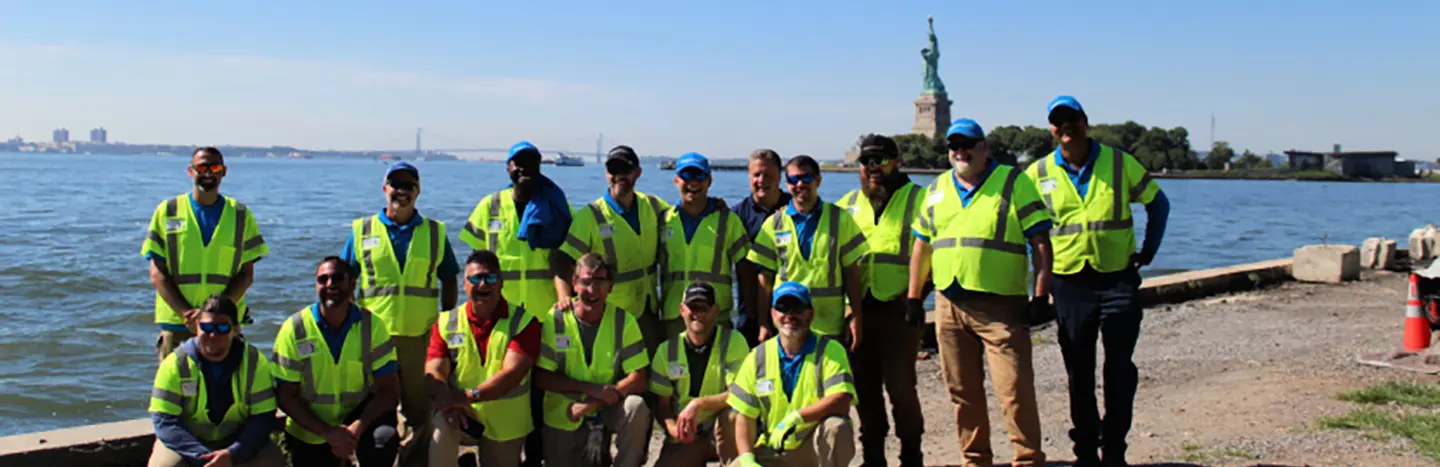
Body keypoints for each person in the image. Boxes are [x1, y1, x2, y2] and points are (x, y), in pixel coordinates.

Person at [1025, 96, 1169, 467]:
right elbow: (1019, 225)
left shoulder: (1119, 163)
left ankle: (1115, 448)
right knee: (1078, 369)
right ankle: (1086, 450)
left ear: (1085, 122)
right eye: (1058, 123)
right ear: (1052, 129)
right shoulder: (1037, 174)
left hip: (1116, 279)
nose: (1065, 128)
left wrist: (1149, 250)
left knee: (1119, 366)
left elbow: (1158, 203)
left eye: (1071, 120)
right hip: (1069, 282)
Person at [908, 118, 1054, 467]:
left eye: (968, 144)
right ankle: (975, 460)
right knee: (962, 393)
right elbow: (921, 247)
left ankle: (1028, 459)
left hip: (1000, 306)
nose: (961, 152)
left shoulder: (1012, 182)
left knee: (1013, 390)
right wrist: (914, 298)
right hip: (948, 304)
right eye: (954, 146)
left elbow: (1040, 242)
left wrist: (1040, 294)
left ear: (983, 147)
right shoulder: (936, 189)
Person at [458, 141, 571, 467]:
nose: (523, 169)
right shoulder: (488, 207)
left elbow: (562, 261)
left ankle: (533, 459)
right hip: (498, 314)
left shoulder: (555, 206)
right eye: (516, 163)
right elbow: (473, 264)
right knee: (499, 384)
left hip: (541, 315)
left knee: (538, 393)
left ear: (539, 166)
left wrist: (566, 297)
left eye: (530, 163)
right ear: (507, 167)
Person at [342, 161, 460, 465]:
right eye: (395, 185)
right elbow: (342, 279)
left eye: (408, 186)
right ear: (385, 189)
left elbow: (450, 276)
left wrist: (446, 324)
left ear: (418, 191)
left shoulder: (435, 233)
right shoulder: (362, 230)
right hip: (372, 338)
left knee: (419, 411)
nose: (401, 191)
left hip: (419, 338)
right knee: (369, 406)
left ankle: (413, 461)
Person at [834, 135, 927, 467]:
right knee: (865, 390)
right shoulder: (846, 205)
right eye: (866, 162)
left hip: (900, 309)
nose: (872, 168)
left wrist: (917, 298)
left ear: (896, 161)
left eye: (880, 160)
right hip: (858, 312)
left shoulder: (920, 199)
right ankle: (873, 457)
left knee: (902, 389)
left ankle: (911, 455)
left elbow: (932, 253)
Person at [141, 147, 268, 361]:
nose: (208, 172)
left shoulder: (240, 215)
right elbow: (157, 274)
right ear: (191, 171)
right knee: (175, 391)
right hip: (178, 323)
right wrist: (187, 314)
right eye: (202, 167)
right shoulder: (167, 211)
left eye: (215, 167)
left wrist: (213, 314)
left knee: (226, 391)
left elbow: (246, 275)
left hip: (223, 326)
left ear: (224, 172)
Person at [273, 257, 402, 467]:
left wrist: (356, 428)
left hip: (358, 424)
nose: (330, 284)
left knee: (384, 440)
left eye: (337, 278)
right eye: (322, 280)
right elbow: (286, 396)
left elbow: (389, 391)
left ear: (352, 284)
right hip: (310, 430)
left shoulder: (373, 326)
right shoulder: (294, 329)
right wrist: (328, 433)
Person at [534, 252, 651, 467]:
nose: (592, 290)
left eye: (600, 283)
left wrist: (593, 402)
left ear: (611, 287)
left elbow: (638, 378)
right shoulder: (556, 319)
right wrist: (589, 389)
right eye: (586, 282)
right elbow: (542, 377)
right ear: (575, 284)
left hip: (606, 407)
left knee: (637, 406)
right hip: (565, 413)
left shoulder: (624, 321)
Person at [426, 250, 540, 467]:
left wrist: (463, 397)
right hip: (461, 414)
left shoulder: (524, 322)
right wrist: (447, 400)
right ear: (464, 284)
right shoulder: (445, 322)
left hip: (506, 423)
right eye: (475, 278)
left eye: (490, 278)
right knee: (441, 424)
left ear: (501, 282)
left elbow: (511, 376)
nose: (483, 285)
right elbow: (434, 372)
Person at [726, 281, 856, 467]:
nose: (790, 315)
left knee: (837, 427)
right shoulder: (758, 357)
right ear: (772, 315)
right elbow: (744, 415)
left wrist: (797, 417)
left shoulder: (830, 351)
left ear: (810, 314)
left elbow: (842, 399)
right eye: (783, 308)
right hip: (775, 449)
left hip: (814, 448)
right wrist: (747, 459)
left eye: (797, 308)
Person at [556, 145, 670, 353]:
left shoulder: (654, 206)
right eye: (613, 170)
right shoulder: (589, 216)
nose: (619, 176)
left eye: (625, 170)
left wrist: (711, 205)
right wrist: (565, 298)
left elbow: (684, 215)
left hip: (647, 309)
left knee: (649, 372)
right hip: (608, 312)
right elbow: (563, 260)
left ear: (638, 172)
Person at [148, 294, 285, 467]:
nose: (213, 335)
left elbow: (263, 418)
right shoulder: (174, 364)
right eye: (206, 327)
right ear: (196, 327)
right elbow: (164, 421)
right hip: (187, 441)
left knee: (273, 460)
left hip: (237, 439)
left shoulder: (255, 361)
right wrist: (204, 457)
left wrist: (232, 454)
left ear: (235, 329)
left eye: (222, 328)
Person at [746, 155, 867, 349]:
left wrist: (855, 315)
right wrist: (763, 322)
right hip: (786, 324)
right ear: (787, 184)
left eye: (806, 178)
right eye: (793, 179)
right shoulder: (774, 224)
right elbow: (765, 277)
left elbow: (851, 271)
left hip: (829, 326)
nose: (800, 184)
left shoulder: (840, 219)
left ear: (818, 180)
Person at [649, 282, 752, 466]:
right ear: (682, 310)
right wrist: (676, 431)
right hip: (687, 437)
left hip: (719, 432)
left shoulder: (734, 341)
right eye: (692, 307)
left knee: (733, 415)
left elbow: (738, 394)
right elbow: (662, 407)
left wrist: (699, 404)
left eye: (704, 308)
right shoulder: (666, 351)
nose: (697, 314)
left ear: (715, 311)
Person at [659, 152, 754, 340]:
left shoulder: (728, 220)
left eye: (699, 176)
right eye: (686, 176)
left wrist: (750, 316)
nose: (693, 182)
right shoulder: (664, 220)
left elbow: (746, 269)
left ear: (709, 181)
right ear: (676, 180)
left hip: (715, 317)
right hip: (674, 317)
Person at [730, 149, 790, 346]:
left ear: (779, 177)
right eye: (756, 175)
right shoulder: (736, 215)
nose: (761, 180)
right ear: (749, 175)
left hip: (789, 309)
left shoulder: (794, 208)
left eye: (768, 175)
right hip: (749, 312)